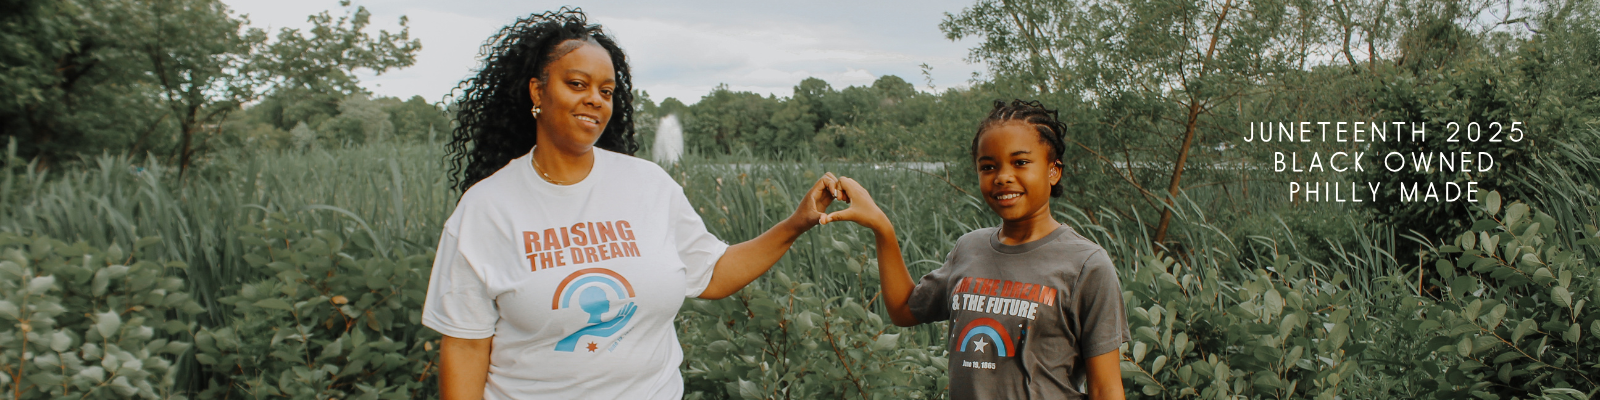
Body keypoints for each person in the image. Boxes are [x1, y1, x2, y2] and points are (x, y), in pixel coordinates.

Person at [423, 9, 841, 400]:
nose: (595, 99)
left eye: (606, 91)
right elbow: (465, 346)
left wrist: (795, 223)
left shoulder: (648, 184)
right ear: (538, 90)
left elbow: (712, 274)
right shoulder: (487, 208)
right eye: (577, 84)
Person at [822, 100, 1130, 399]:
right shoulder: (969, 248)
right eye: (988, 166)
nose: (1002, 177)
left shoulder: (1086, 265)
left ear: (1053, 171)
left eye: (1020, 162)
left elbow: (1105, 389)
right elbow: (904, 310)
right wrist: (882, 227)